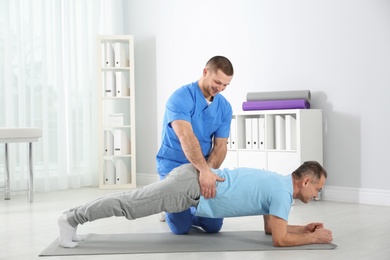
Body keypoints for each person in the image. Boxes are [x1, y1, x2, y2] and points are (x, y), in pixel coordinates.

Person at [58, 161, 333, 248]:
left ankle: (73, 217)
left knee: (132, 202)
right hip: (188, 187)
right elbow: (280, 241)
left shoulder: (279, 184)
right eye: (318, 189)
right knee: (130, 205)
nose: (317, 195)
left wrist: (304, 230)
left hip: (191, 185)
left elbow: (272, 230)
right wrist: (316, 239)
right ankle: (71, 218)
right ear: (306, 182)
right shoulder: (283, 193)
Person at [155, 56, 234, 234]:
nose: (220, 88)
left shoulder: (224, 107)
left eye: (225, 85)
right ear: (205, 72)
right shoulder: (180, 98)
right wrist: (204, 171)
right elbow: (186, 136)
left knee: (214, 226)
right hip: (173, 164)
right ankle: (169, 210)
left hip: (203, 165)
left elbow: (220, 146)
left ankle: (188, 208)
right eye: (217, 82)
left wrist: (207, 173)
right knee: (180, 228)